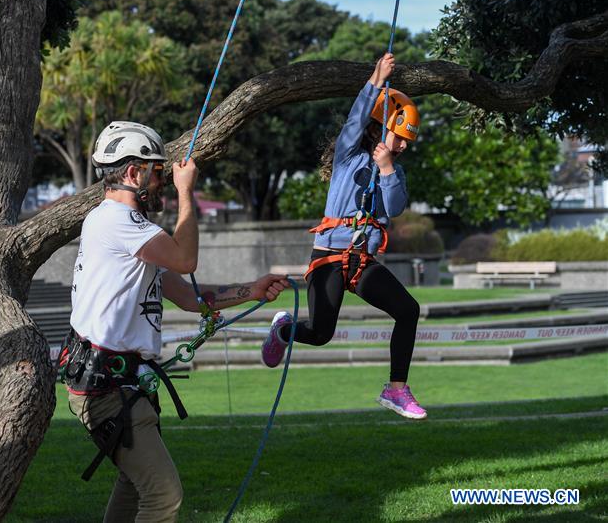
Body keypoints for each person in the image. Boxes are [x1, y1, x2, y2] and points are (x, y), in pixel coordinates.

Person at [60, 120, 290, 523]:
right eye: (159, 172)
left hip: (118, 383)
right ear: (133, 173)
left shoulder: (127, 233)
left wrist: (251, 290)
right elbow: (187, 260)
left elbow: (188, 294)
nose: (163, 181)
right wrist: (188, 191)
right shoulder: (116, 221)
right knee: (164, 496)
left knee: (135, 487)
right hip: (108, 387)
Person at [261, 53, 427, 420]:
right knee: (321, 333)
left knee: (408, 310)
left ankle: (396, 389)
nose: (401, 146)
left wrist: (387, 169)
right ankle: (284, 330)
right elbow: (354, 120)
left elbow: (395, 207)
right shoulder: (348, 157)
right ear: (379, 126)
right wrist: (376, 80)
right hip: (329, 257)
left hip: (362, 262)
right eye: (398, 137)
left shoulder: (393, 172)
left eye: (405, 143)